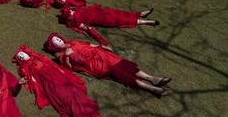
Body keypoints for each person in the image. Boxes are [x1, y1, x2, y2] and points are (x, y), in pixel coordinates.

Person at [13, 46, 117, 117]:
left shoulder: (37, 56)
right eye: (21, 56)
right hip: (52, 85)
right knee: (71, 105)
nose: (24, 56)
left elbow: (53, 65)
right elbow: (33, 81)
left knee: (81, 98)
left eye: (24, 54)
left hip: (61, 78)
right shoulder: (25, 68)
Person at [43, 33, 171, 97]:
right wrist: (68, 56)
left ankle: (152, 79)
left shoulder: (72, 42)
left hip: (103, 55)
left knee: (126, 65)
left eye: (58, 39)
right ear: (54, 47)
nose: (59, 41)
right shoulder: (63, 56)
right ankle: (153, 89)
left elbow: (88, 45)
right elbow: (71, 68)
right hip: (98, 65)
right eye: (56, 42)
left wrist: (102, 46)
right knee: (123, 76)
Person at [58, 4, 158, 45]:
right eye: (69, 12)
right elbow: (90, 30)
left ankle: (140, 14)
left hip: (103, 11)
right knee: (121, 20)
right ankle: (146, 22)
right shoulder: (76, 22)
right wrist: (102, 41)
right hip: (103, 19)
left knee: (121, 13)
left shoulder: (75, 10)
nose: (71, 11)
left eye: (70, 11)